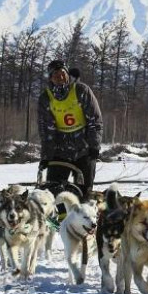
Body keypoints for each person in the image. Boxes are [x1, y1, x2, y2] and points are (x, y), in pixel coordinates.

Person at [38, 59, 102, 198]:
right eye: (55, 75)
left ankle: (84, 216)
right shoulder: (45, 99)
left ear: (67, 74)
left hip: (84, 149)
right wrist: (45, 157)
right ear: (50, 79)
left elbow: (95, 121)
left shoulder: (81, 91)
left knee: (84, 193)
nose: (60, 77)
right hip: (60, 152)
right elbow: (47, 132)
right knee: (53, 192)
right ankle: (59, 217)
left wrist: (94, 146)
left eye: (62, 73)